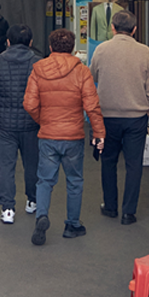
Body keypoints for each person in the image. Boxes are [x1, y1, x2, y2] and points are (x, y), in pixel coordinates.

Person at [23, 29, 106, 245]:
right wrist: (99, 133)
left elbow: (30, 104)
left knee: (44, 181)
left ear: (50, 47)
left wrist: (44, 120)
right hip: (73, 136)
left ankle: (42, 215)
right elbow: (92, 106)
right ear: (72, 48)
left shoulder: (38, 69)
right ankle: (72, 225)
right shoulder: (81, 71)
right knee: (75, 181)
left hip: (48, 136)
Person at [90, 10, 149, 225]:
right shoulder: (144, 51)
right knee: (133, 164)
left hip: (107, 116)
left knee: (108, 161)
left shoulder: (101, 50)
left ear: (112, 28)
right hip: (136, 117)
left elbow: (92, 76)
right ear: (134, 29)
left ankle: (110, 206)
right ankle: (128, 212)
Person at [0, 24, 41, 224]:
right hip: (32, 123)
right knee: (33, 165)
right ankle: (32, 201)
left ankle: (7, 209)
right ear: (30, 42)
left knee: (4, 167)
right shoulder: (39, 63)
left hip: (2, 124)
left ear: (7, 41)